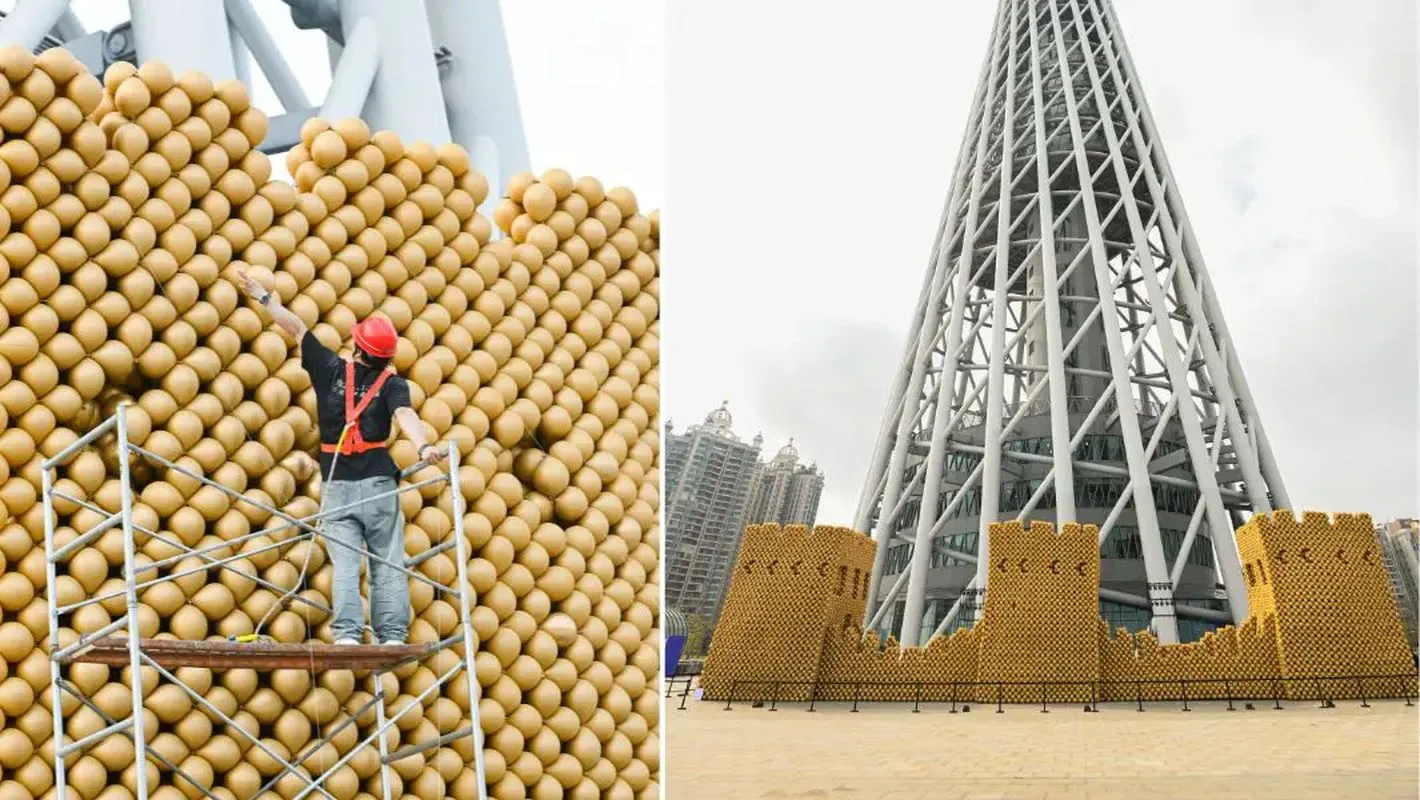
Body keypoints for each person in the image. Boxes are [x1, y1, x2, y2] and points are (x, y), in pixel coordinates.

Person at [236, 268, 444, 646]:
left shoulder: (331, 370)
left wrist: (265, 299)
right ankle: (392, 635)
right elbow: (405, 415)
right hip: (379, 482)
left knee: (346, 564)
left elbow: (297, 329)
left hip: (338, 483)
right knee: (387, 561)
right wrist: (423, 446)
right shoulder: (394, 385)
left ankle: (348, 634)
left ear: (357, 348)